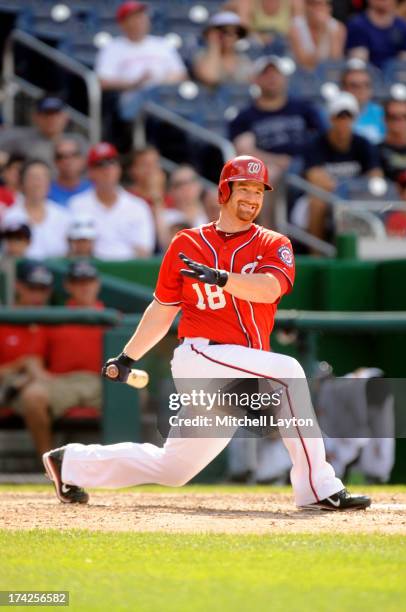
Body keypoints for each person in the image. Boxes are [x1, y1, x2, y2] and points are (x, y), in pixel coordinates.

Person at [42, 154, 371, 511]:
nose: (252, 197)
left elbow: (269, 289)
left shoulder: (275, 244)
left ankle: (70, 463)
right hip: (200, 356)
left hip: (239, 372)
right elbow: (162, 310)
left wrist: (223, 278)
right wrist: (127, 357)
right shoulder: (186, 244)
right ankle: (316, 487)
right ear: (223, 193)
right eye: (243, 188)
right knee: (289, 371)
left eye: (258, 190)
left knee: (174, 467)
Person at [15, 260, 104, 458]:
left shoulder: (112, 317)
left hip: (102, 383)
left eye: (88, 281)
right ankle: (49, 465)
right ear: (68, 285)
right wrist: (41, 376)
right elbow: (34, 358)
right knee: (32, 396)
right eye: (78, 282)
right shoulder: (55, 316)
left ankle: (121, 466)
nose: (84, 286)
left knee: (134, 395)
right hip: (64, 382)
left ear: (97, 283)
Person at [292, 92, 382, 242]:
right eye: (339, 116)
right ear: (331, 118)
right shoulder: (317, 143)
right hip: (324, 197)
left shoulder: (363, 144)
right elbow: (315, 178)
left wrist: (354, 188)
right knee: (317, 202)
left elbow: (375, 176)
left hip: (354, 195)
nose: (344, 122)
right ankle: (318, 254)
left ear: (354, 118)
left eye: (348, 117)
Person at [229, 55, 325, 183]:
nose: (272, 78)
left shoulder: (304, 109)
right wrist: (277, 160)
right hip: (268, 168)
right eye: (266, 74)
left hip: (306, 166)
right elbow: (243, 152)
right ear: (256, 80)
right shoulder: (245, 117)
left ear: (285, 78)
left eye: (276, 74)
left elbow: (323, 137)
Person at [69, 142, 155, 260]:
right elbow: (74, 249)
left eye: (112, 162)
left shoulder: (138, 206)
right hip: (91, 270)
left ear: (119, 168)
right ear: (90, 172)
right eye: (100, 164)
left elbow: (144, 251)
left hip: (128, 270)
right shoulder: (76, 204)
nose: (107, 169)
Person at [0, 261, 53, 453]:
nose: (38, 295)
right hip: (7, 386)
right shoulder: (5, 320)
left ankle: (47, 464)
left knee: (34, 394)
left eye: (43, 289)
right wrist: (20, 364)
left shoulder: (51, 321)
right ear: (19, 286)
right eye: (32, 288)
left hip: (41, 386)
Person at [95, 1, 186, 93]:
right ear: (123, 23)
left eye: (142, 16)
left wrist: (157, 82)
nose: (140, 21)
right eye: (134, 18)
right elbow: (103, 81)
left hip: (163, 94)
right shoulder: (112, 48)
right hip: (129, 95)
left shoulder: (162, 44)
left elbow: (180, 74)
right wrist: (135, 83)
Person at [2, 159, 69, 259]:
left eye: (43, 177)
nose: (38, 183)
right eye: (33, 177)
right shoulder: (9, 216)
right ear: (22, 183)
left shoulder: (63, 216)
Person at [0, 96, 73, 167]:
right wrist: (11, 162)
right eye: (46, 114)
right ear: (36, 116)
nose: (51, 119)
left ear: (66, 117)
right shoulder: (21, 138)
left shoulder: (76, 142)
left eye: (56, 114)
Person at [192, 11, 253, 86]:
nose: (230, 36)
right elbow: (210, 78)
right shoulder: (202, 56)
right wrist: (213, 44)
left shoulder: (244, 60)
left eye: (235, 32)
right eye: (224, 32)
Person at [346, 0, 406, 69]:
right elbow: (358, 61)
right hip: (368, 74)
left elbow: (404, 61)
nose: (385, 1)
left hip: (395, 74)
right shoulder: (357, 25)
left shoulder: (403, 27)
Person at [288, 0, 346, 70]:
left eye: (324, 4)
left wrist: (326, 29)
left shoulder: (338, 28)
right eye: (314, 4)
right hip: (302, 74)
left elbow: (335, 60)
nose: (319, 8)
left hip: (327, 73)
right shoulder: (295, 28)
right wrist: (321, 31)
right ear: (306, 6)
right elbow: (303, 62)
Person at [340, 60, 385, 144]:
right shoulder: (335, 115)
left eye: (366, 85)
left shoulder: (382, 114)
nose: (361, 90)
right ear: (343, 89)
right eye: (354, 86)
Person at [48, 136, 91, 207]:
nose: (67, 161)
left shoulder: (93, 190)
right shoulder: (46, 192)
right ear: (54, 162)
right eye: (61, 156)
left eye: (74, 155)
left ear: (83, 160)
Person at [379, 98, 406, 181]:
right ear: (384, 119)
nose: (399, 121)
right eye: (393, 117)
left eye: (405, 116)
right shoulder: (373, 151)